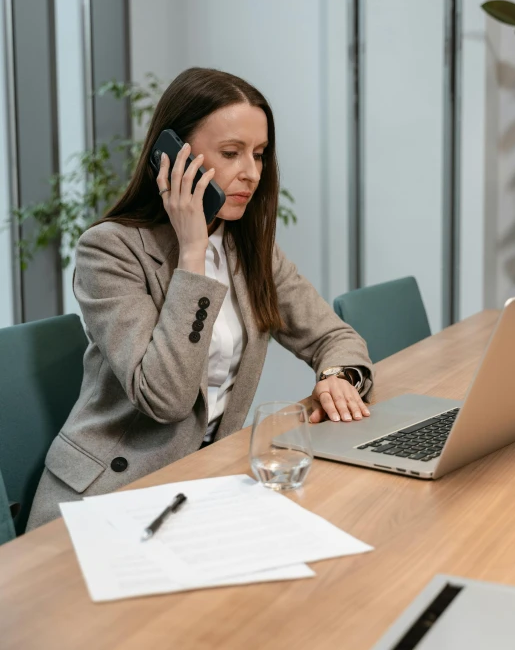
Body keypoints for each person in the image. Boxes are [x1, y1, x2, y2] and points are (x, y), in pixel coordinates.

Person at [27, 67, 374, 529]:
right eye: (231, 153)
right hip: (110, 498)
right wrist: (192, 251)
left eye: (259, 154)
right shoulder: (110, 250)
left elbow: (334, 336)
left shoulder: (250, 250)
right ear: (173, 157)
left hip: (204, 486)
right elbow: (166, 399)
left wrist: (338, 377)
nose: (250, 173)